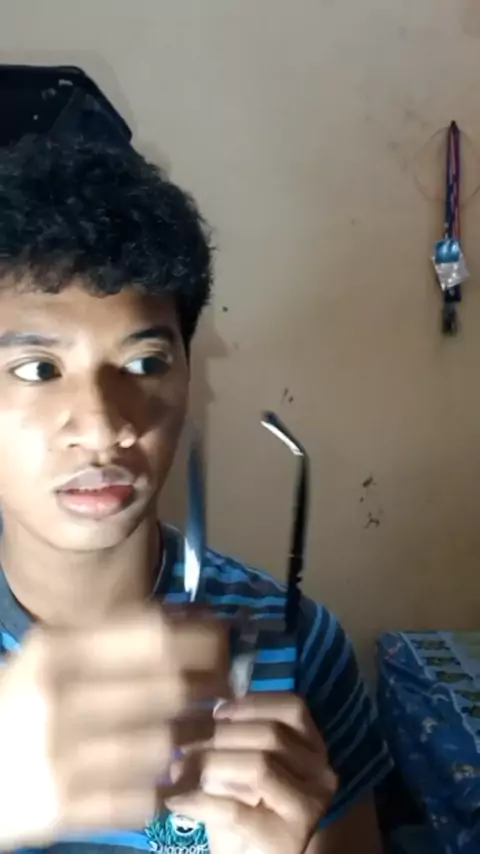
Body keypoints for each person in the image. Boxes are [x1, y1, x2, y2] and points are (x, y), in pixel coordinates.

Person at [0, 135, 391, 854]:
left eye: (145, 362)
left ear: (187, 377)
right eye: (37, 369)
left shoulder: (298, 647)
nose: (104, 427)